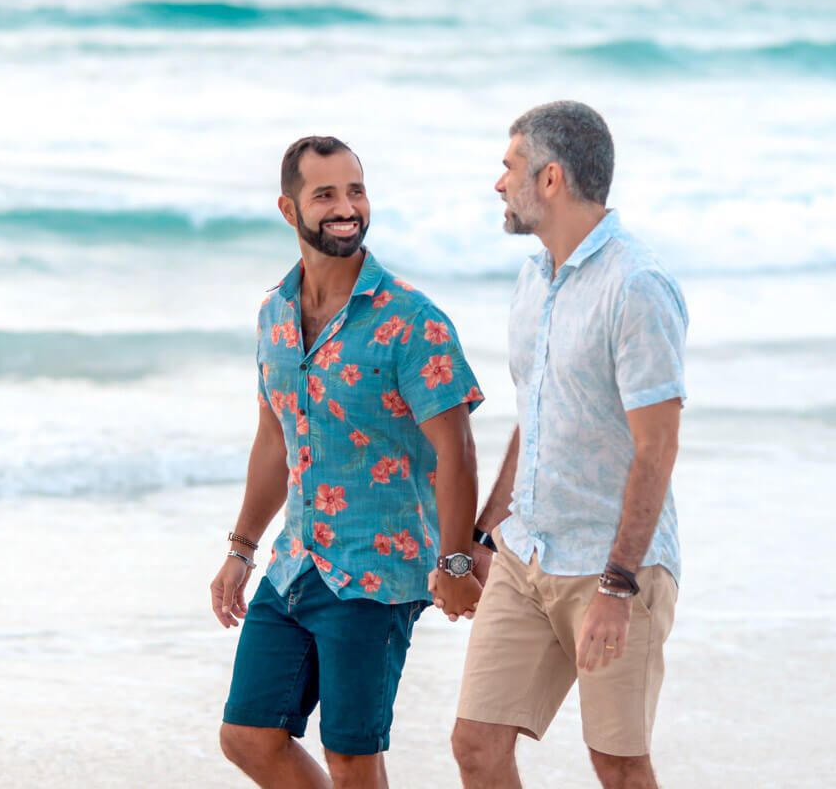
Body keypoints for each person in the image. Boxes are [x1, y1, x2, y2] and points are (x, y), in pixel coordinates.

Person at [212, 136, 484, 789]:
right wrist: (242, 549)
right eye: (326, 194)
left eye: (355, 190)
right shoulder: (274, 314)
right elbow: (275, 440)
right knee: (248, 736)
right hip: (296, 560)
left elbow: (457, 449)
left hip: (377, 570)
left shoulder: (413, 320)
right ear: (289, 209)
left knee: (352, 755)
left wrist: (453, 561)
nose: (346, 207)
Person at [445, 101, 688, 789]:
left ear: (550, 179)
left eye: (509, 166)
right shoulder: (533, 279)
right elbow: (537, 415)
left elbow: (657, 449)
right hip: (528, 556)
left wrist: (618, 583)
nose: (499, 183)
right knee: (476, 744)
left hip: (611, 568)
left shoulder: (637, 286)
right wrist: (489, 534)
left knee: (616, 762)